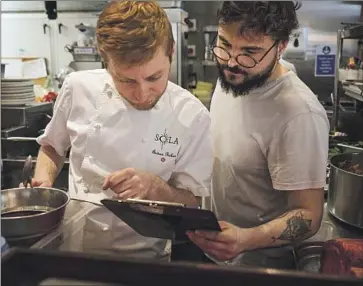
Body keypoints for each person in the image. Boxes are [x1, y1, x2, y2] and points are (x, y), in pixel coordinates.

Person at [32, 0, 213, 260]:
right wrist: (45, 182)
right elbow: (51, 146)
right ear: (106, 61)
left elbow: (193, 201)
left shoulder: (192, 116)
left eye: (154, 77)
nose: (141, 93)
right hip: (73, 248)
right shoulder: (78, 88)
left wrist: (155, 186)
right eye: (126, 80)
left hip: (147, 258)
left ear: (171, 52)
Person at [187, 1, 329, 269]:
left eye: (250, 51)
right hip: (214, 253)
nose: (231, 62)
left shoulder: (299, 114)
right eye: (225, 44)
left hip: (259, 266)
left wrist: (245, 238)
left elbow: (309, 215)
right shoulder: (233, 77)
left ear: (281, 47)